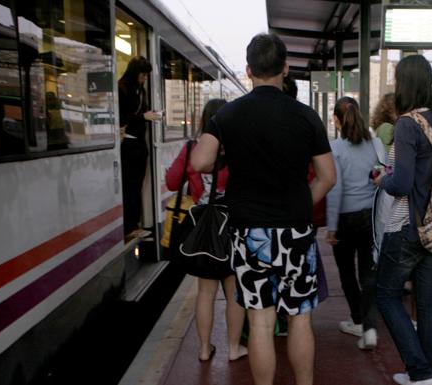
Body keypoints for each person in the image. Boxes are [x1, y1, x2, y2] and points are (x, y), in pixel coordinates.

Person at [191, 33, 336, 385]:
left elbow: (199, 161)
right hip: (297, 231)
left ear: (248, 70)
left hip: (249, 232)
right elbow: (327, 177)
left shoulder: (229, 114)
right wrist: (300, 202)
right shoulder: (306, 116)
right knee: (300, 318)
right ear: (285, 68)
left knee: (259, 320)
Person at [373, 54, 432, 385]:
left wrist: (380, 179)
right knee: (427, 304)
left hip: (408, 228)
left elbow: (400, 183)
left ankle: (420, 370)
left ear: (403, 84)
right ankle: (424, 375)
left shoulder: (407, 123)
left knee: (385, 294)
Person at [165, 99, 247, 362]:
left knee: (205, 292)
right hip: (232, 226)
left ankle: (203, 349)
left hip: (203, 230)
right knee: (234, 290)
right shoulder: (237, 149)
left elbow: (171, 181)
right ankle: (234, 348)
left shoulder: (192, 149)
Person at [327, 96, 385, 350]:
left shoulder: (336, 149)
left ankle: (358, 319)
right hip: (369, 216)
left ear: (337, 120)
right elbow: (383, 174)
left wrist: (331, 226)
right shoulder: (375, 144)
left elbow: (335, 190)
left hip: (344, 218)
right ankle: (370, 328)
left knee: (347, 271)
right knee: (368, 272)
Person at [118, 56, 162, 237]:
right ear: (134, 73)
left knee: (136, 185)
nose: (144, 79)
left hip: (139, 144)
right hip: (129, 143)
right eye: (142, 75)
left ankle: (134, 224)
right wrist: (144, 117)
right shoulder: (122, 89)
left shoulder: (140, 91)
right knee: (131, 186)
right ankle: (130, 226)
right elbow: (121, 118)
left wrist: (152, 114)